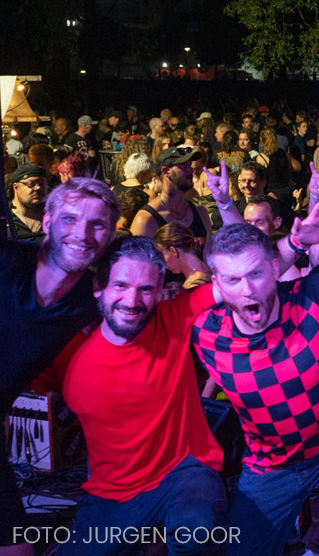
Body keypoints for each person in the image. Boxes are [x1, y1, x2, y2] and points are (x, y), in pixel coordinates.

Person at [191, 222, 319, 556]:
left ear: (274, 268)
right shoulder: (204, 331)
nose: (247, 290)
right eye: (232, 280)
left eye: (255, 274)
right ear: (217, 285)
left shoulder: (313, 295)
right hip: (270, 466)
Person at [49, 237, 226, 555]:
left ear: (159, 293)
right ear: (98, 287)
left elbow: (240, 281)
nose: (132, 300)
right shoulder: (68, 351)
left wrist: (295, 242)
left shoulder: (172, 318)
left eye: (146, 289)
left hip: (183, 472)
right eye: (121, 285)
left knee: (196, 530)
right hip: (110, 492)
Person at [0, 178, 119, 554]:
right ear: (47, 221)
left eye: (97, 224)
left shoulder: (92, 296)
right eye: (70, 219)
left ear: (110, 234)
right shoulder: (6, 260)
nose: (82, 234)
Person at [130, 147, 213, 247]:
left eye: (189, 164)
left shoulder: (200, 212)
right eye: (183, 165)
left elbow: (210, 255)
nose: (191, 169)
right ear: (166, 171)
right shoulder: (146, 219)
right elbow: (137, 260)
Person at [8, 163, 49, 241]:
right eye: (31, 184)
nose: (38, 188)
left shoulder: (54, 217)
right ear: (16, 187)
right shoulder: (5, 218)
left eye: (42, 183)